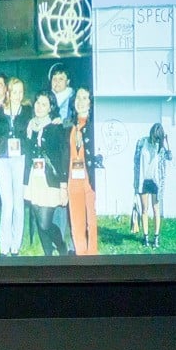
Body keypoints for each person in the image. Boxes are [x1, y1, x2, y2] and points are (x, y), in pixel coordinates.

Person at [24, 90, 68, 256]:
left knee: (44, 223)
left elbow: (62, 156)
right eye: (37, 103)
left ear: (50, 108)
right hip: (33, 178)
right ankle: (47, 255)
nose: (39, 107)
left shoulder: (56, 127)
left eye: (44, 104)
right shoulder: (30, 126)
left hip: (50, 180)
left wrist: (64, 186)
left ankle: (61, 245)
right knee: (37, 216)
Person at [0, 77, 31, 256]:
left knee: (18, 204)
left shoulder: (28, 111)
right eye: (15, 92)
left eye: (21, 92)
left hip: (20, 159)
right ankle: (4, 246)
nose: (18, 95)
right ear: (8, 92)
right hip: (3, 160)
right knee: (7, 204)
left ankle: (16, 246)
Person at [67, 86, 99, 255]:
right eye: (78, 98)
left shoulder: (95, 126)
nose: (80, 101)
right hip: (73, 180)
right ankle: (81, 255)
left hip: (90, 179)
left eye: (85, 98)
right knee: (77, 220)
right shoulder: (68, 125)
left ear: (91, 102)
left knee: (91, 221)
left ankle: (92, 255)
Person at [133, 122, 172, 248]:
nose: (154, 139)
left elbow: (170, 158)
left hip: (156, 181)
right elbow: (135, 162)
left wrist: (167, 144)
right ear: (151, 133)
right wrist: (135, 182)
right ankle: (145, 238)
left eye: (157, 137)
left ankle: (156, 238)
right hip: (143, 180)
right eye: (154, 136)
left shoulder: (160, 147)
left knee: (156, 209)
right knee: (144, 209)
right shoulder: (141, 143)